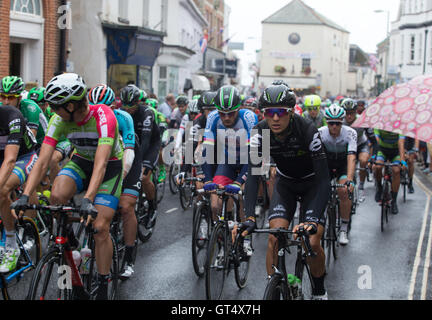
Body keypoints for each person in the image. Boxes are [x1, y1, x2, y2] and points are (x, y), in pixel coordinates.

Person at [11, 73, 124, 299]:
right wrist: (25, 195)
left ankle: (103, 285)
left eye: (55, 106)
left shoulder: (103, 116)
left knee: (100, 227)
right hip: (81, 160)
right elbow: (43, 161)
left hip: (109, 167)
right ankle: (68, 246)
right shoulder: (59, 120)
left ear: (71, 105)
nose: (51, 110)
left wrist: (88, 200)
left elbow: (101, 163)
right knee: (56, 197)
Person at [241, 83, 330, 300]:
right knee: (275, 236)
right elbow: (253, 175)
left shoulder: (307, 129)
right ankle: (275, 285)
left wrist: (313, 219)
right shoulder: (260, 131)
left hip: (312, 184)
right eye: (269, 112)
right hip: (286, 183)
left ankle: (319, 291)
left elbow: (324, 179)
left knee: (312, 240)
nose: (275, 118)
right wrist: (250, 215)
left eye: (280, 112)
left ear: (290, 112)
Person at [88, 84, 138, 279]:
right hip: (101, 164)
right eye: (94, 107)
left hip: (126, 162)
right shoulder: (86, 119)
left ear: (113, 107)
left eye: (104, 108)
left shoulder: (123, 118)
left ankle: (129, 257)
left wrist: (119, 181)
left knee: (125, 206)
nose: (98, 112)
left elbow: (129, 152)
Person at [202, 85, 258, 256]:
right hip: (228, 160)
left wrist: (239, 181)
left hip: (250, 160)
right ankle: (221, 240)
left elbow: (255, 156)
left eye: (231, 113)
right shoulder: (212, 117)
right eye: (222, 113)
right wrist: (208, 179)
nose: (226, 117)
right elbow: (207, 150)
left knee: (242, 197)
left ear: (239, 108)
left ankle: (246, 240)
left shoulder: (249, 117)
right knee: (215, 203)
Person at [0, 105, 38, 272]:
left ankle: (11, 244)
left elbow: (10, 160)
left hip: (23, 157)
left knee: (2, 190)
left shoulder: (12, 116)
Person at [120, 85, 161, 231]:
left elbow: (145, 141)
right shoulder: (121, 113)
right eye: (124, 105)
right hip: (131, 145)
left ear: (138, 102)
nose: (127, 108)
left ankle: (152, 208)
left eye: (130, 105)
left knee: (143, 177)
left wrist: (136, 164)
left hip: (150, 145)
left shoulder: (147, 113)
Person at [319, 104, 357, 245]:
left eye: (337, 123)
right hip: (327, 164)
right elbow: (315, 158)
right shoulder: (321, 133)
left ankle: (343, 229)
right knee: (320, 189)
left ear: (342, 123)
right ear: (326, 122)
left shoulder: (350, 133)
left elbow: (351, 156)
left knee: (343, 190)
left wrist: (350, 179)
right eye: (331, 123)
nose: (334, 126)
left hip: (342, 164)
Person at [28, 86, 74, 183]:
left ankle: (57, 186)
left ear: (46, 104)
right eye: (33, 103)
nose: (35, 107)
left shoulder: (51, 111)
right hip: (43, 143)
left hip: (61, 141)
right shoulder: (28, 111)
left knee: (52, 159)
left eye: (39, 104)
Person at [0, 76, 48, 150]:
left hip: (39, 142)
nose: (6, 102)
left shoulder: (31, 108)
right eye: (3, 97)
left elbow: (31, 140)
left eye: (11, 97)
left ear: (19, 98)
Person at [341, 98, 375, 202]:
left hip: (360, 144)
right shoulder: (339, 121)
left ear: (356, 112)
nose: (349, 116)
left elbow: (373, 139)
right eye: (346, 113)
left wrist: (373, 156)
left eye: (351, 113)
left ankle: (360, 186)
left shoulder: (363, 120)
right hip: (346, 146)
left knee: (363, 160)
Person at [373, 129, 407, 214]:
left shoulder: (400, 126)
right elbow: (376, 141)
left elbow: (401, 143)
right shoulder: (379, 124)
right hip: (382, 150)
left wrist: (402, 161)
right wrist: (373, 158)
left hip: (395, 152)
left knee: (396, 171)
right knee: (378, 167)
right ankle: (379, 187)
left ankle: (394, 201)